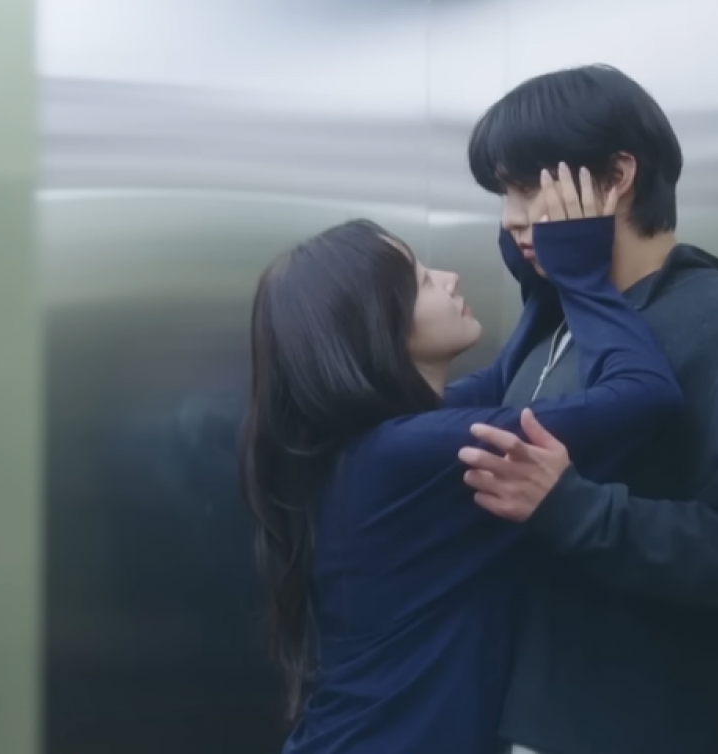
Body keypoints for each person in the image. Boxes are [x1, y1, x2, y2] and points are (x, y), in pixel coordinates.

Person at [239, 167, 684, 754]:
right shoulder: (408, 453)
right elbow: (643, 397)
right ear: (379, 328)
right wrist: (581, 276)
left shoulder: (370, 443)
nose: (449, 279)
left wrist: (537, 272)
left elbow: (503, 379)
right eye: (423, 282)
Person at [455, 64, 718, 754]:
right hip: (522, 716)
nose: (511, 217)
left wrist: (571, 505)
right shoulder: (561, 320)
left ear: (618, 175)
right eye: (503, 193)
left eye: (527, 186)